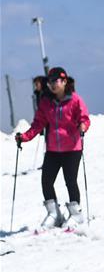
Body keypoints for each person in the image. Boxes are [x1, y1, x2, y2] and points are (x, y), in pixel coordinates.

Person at [15, 67, 91, 229]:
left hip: (72, 148)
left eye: (56, 81)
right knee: (46, 181)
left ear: (64, 81)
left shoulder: (75, 100)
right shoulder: (46, 102)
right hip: (53, 150)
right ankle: (54, 214)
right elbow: (38, 124)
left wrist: (83, 125)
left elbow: (84, 118)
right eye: (50, 82)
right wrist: (25, 137)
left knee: (70, 181)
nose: (53, 84)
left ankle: (76, 214)